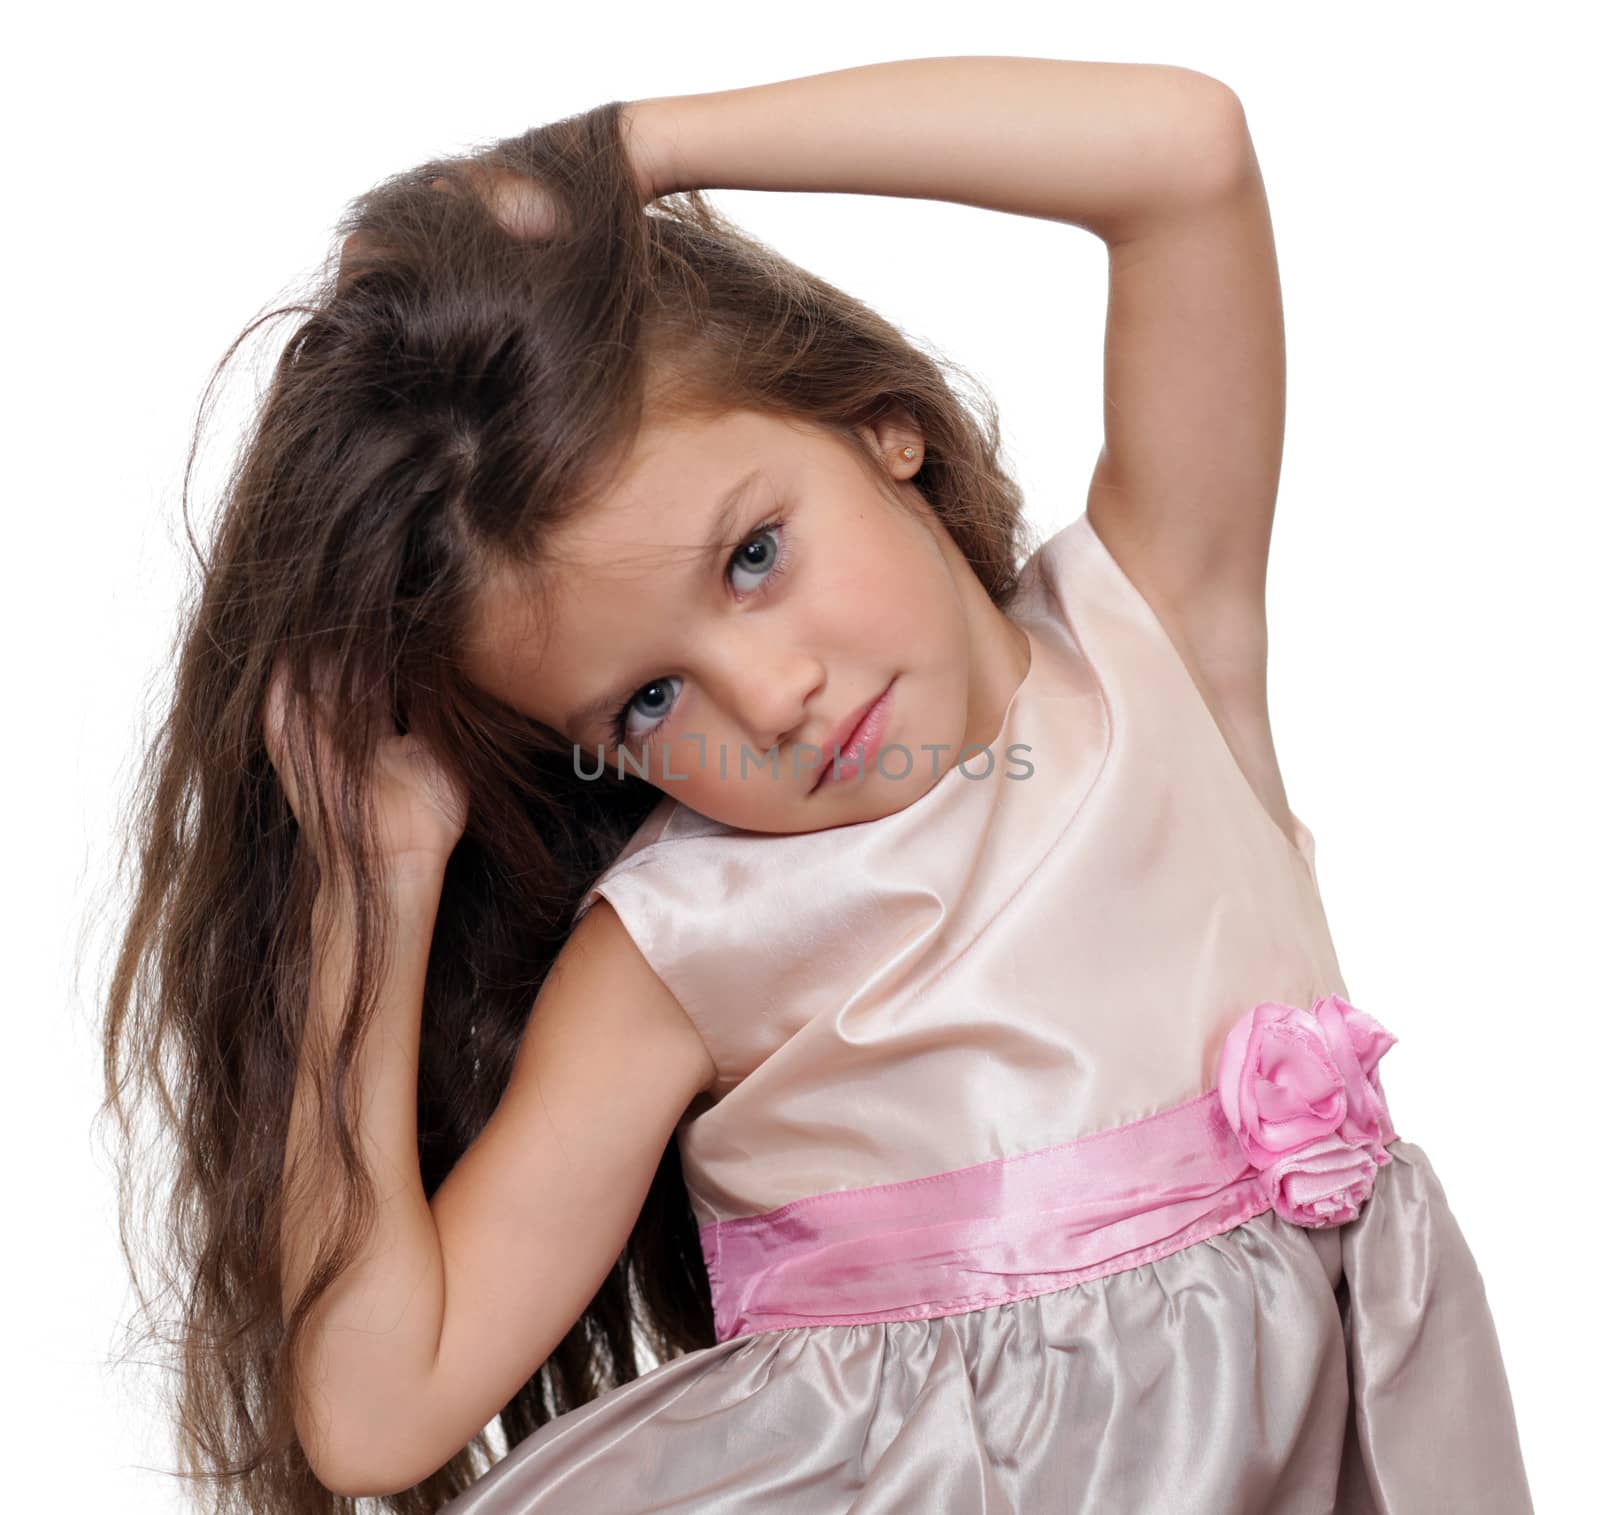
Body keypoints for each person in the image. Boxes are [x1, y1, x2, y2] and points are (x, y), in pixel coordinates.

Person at [97, 57, 1535, 1513]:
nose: (770, 697)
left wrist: (624, 155)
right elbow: (373, 1415)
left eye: (754, 556)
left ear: (875, 420)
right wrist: (375, 879)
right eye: (649, 698)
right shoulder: (682, 950)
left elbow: (1185, 152)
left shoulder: (1155, 645)